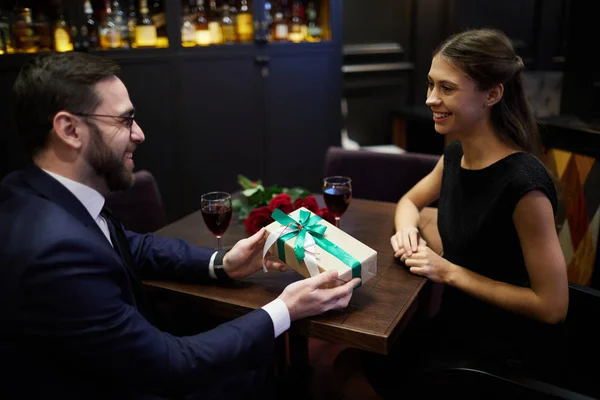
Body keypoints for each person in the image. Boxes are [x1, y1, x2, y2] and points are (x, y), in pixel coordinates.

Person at [0, 52, 361, 400]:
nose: (139, 134)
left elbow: (132, 246)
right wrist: (286, 308)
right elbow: (172, 366)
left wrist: (223, 263)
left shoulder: (28, 189)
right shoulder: (56, 251)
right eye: (125, 121)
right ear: (69, 129)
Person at [368, 28, 569, 398]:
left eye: (447, 88)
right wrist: (406, 231)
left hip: (501, 352)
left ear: (492, 94)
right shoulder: (455, 156)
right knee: (356, 361)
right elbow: (409, 202)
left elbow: (553, 306)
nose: (430, 99)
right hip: (455, 326)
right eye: (431, 85)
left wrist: (449, 271)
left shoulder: (523, 183)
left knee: (354, 371)